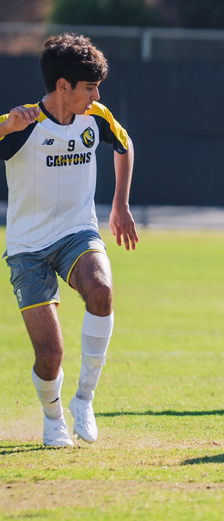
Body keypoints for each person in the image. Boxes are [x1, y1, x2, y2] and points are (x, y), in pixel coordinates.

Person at [0, 33, 138, 447]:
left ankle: (84, 400)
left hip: (77, 231)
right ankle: (52, 417)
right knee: (50, 355)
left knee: (101, 290)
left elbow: (125, 143)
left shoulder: (95, 116)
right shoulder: (23, 124)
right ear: (63, 87)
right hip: (27, 249)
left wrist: (120, 204)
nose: (96, 95)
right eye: (89, 87)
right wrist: (6, 124)